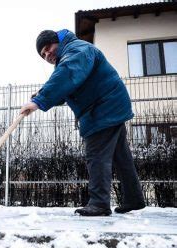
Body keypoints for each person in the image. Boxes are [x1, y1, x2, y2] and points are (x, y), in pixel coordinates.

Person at [20, 29, 145, 216]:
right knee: (121, 157)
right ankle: (133, 199)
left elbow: (68, 73)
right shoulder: (70, 54)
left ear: (58, 41)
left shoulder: (77, 50)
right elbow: (69, 86)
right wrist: (42, 95)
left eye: (48, 48)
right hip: (110, 106)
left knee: (96, 156)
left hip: (103, 108)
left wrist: (40, 100)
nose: (47, 55)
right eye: (43, 55)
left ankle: (99, 204)